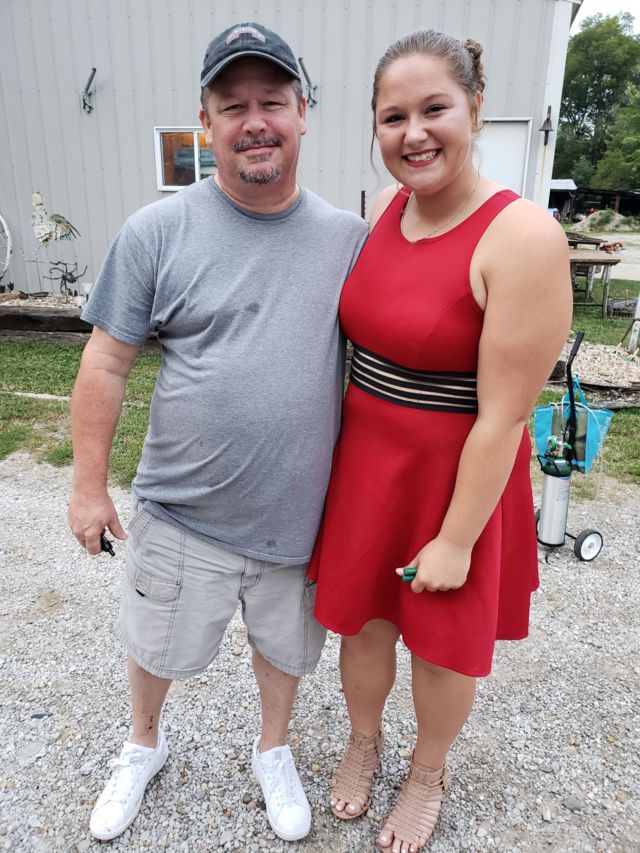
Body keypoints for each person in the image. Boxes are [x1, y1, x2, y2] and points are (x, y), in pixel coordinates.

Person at [67, 21, 367, 844]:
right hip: (181, 510)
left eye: (272, 101)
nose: (254, 121)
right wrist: (87, 486)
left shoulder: (348, 241)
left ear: (303, 113)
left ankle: (274, 749)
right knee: (154, 640)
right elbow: (105, 364)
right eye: (233, 106)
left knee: (285, 648)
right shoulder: (155, 232)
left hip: (297, 516)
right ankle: (143, 743)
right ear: (206, 123)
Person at [307, 29, 572, 853]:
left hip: (456, 477)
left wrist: (457, 538)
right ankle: (364, 740)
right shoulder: (387, 211)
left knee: (439, 646)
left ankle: (428, 770)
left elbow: (505, 415)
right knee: (363, 627)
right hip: (369, 467)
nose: (413, 133)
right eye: (394, 117)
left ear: (476, 110)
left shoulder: (522, 237)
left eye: (435, 110)